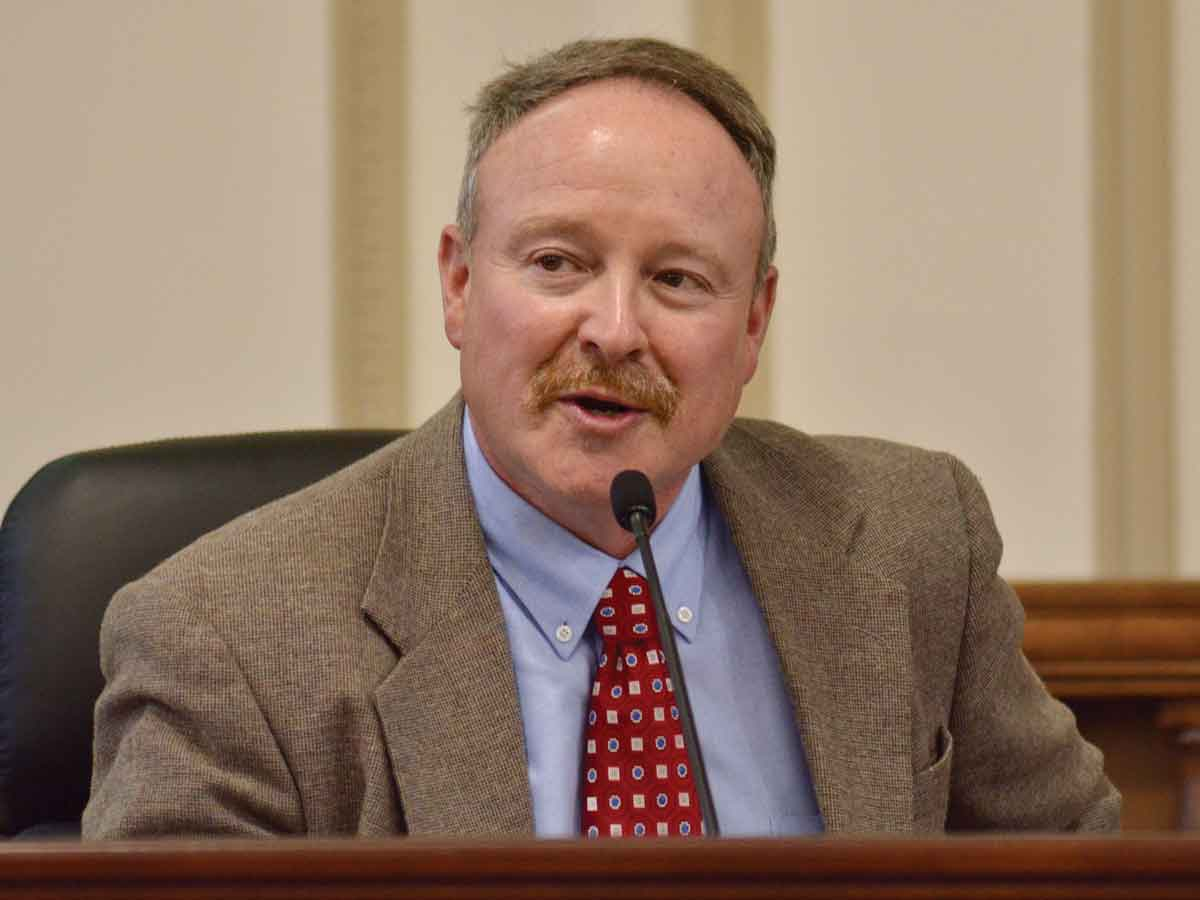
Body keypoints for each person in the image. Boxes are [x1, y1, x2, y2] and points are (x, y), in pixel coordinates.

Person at [83, 37, 1119, 838]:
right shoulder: (225, 643)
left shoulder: (909, 538)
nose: (616, 331)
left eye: (677, 280)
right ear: (458, 283)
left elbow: (1088, 874)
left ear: (754, 323)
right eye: (558, 264)